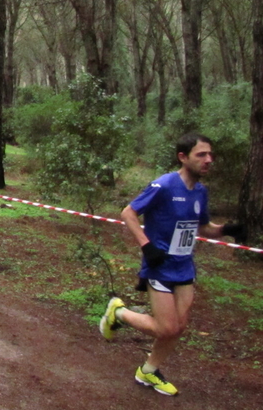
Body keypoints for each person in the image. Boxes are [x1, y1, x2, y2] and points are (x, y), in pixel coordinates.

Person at [100, 133, 246, 396]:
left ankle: (148, 371)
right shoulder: (164, 185)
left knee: (178, 327)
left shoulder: (201, 191)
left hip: (184, 267)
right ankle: (118, 313)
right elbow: (128, 213)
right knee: (166, 327)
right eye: (201, 154)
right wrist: (146, 245)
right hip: (160, 265)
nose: (208, 160)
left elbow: (202, 227)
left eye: (210, 155)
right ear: (183, 157)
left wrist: (227, 229)